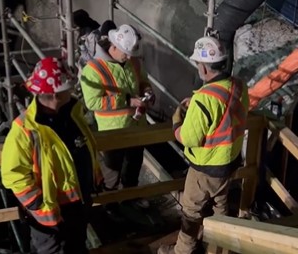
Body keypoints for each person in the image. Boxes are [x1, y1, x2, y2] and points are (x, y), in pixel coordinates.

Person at [1, 57, 103, 254]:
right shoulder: (24, 130)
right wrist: (37, 204)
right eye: (69, 86)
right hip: (48, 213)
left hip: (78, 203)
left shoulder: (72, 114)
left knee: (77, 247)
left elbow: (86, 149)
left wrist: (94, 178)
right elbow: (12, 175)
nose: (73, 89)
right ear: (56, 94)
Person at [158, 36, 249, 254]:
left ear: (204, 68)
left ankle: (182, 251)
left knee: (191, 211)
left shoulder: (204, 100)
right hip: (229, 162)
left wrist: (177, 120)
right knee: (220, 202)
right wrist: (199, 104)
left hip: (205, 168)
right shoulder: (238, 85)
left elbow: (188, 138)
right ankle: (219, 245)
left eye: (198, 64)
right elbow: (224, 110)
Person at [80, 24, 155, 209]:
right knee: (112, 170)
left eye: (130, 53)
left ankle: (130, 197)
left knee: (134, 164)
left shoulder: (134, 62)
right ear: (113, 46)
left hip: (137, 126)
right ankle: (110, 205)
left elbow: (143, 80)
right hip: (113, 130)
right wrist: (128, 101)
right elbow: (93, 103)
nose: (129, 57)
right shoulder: (93, 69)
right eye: (125, 53)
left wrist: (148, 91)